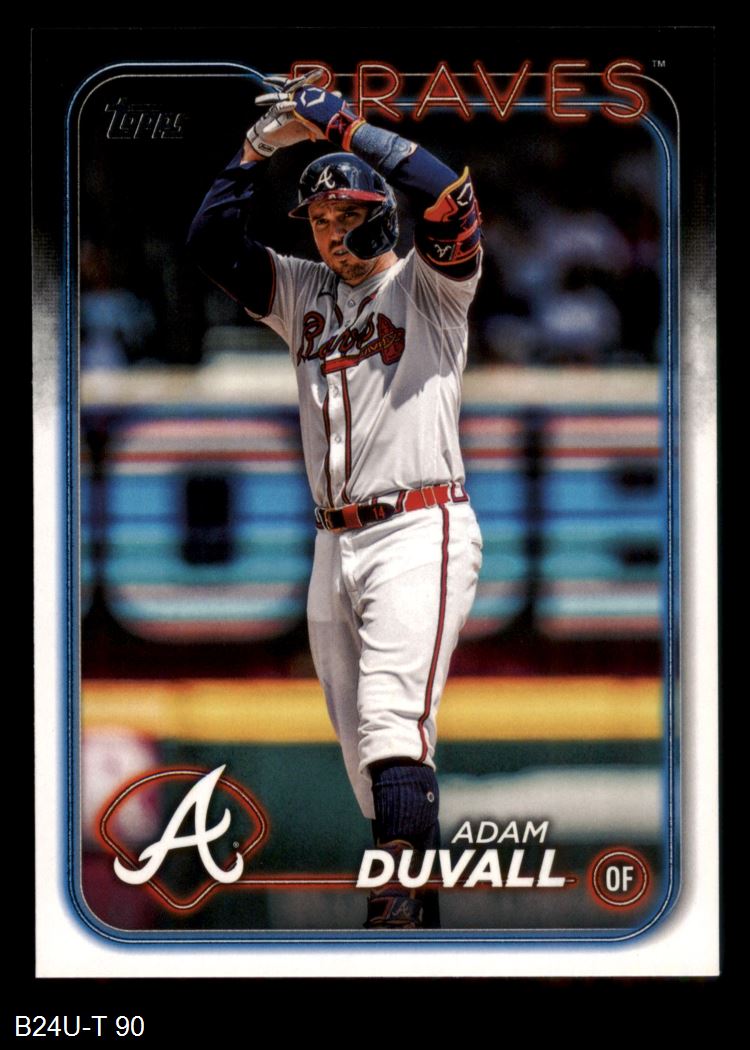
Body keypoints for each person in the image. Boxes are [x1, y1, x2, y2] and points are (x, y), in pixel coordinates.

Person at [188, 72, 483, 929]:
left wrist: (346, 126)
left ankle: (396, 911)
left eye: (343, 214)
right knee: (366, 760)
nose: (327, 232)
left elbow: (449, 194)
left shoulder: (432, 287)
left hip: (418, 525)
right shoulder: (304, 291)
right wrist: (255, 151)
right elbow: (209, 240)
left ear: (380, 213)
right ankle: (418, 908)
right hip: (334, 544)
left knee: (392, 720)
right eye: (316, 219)